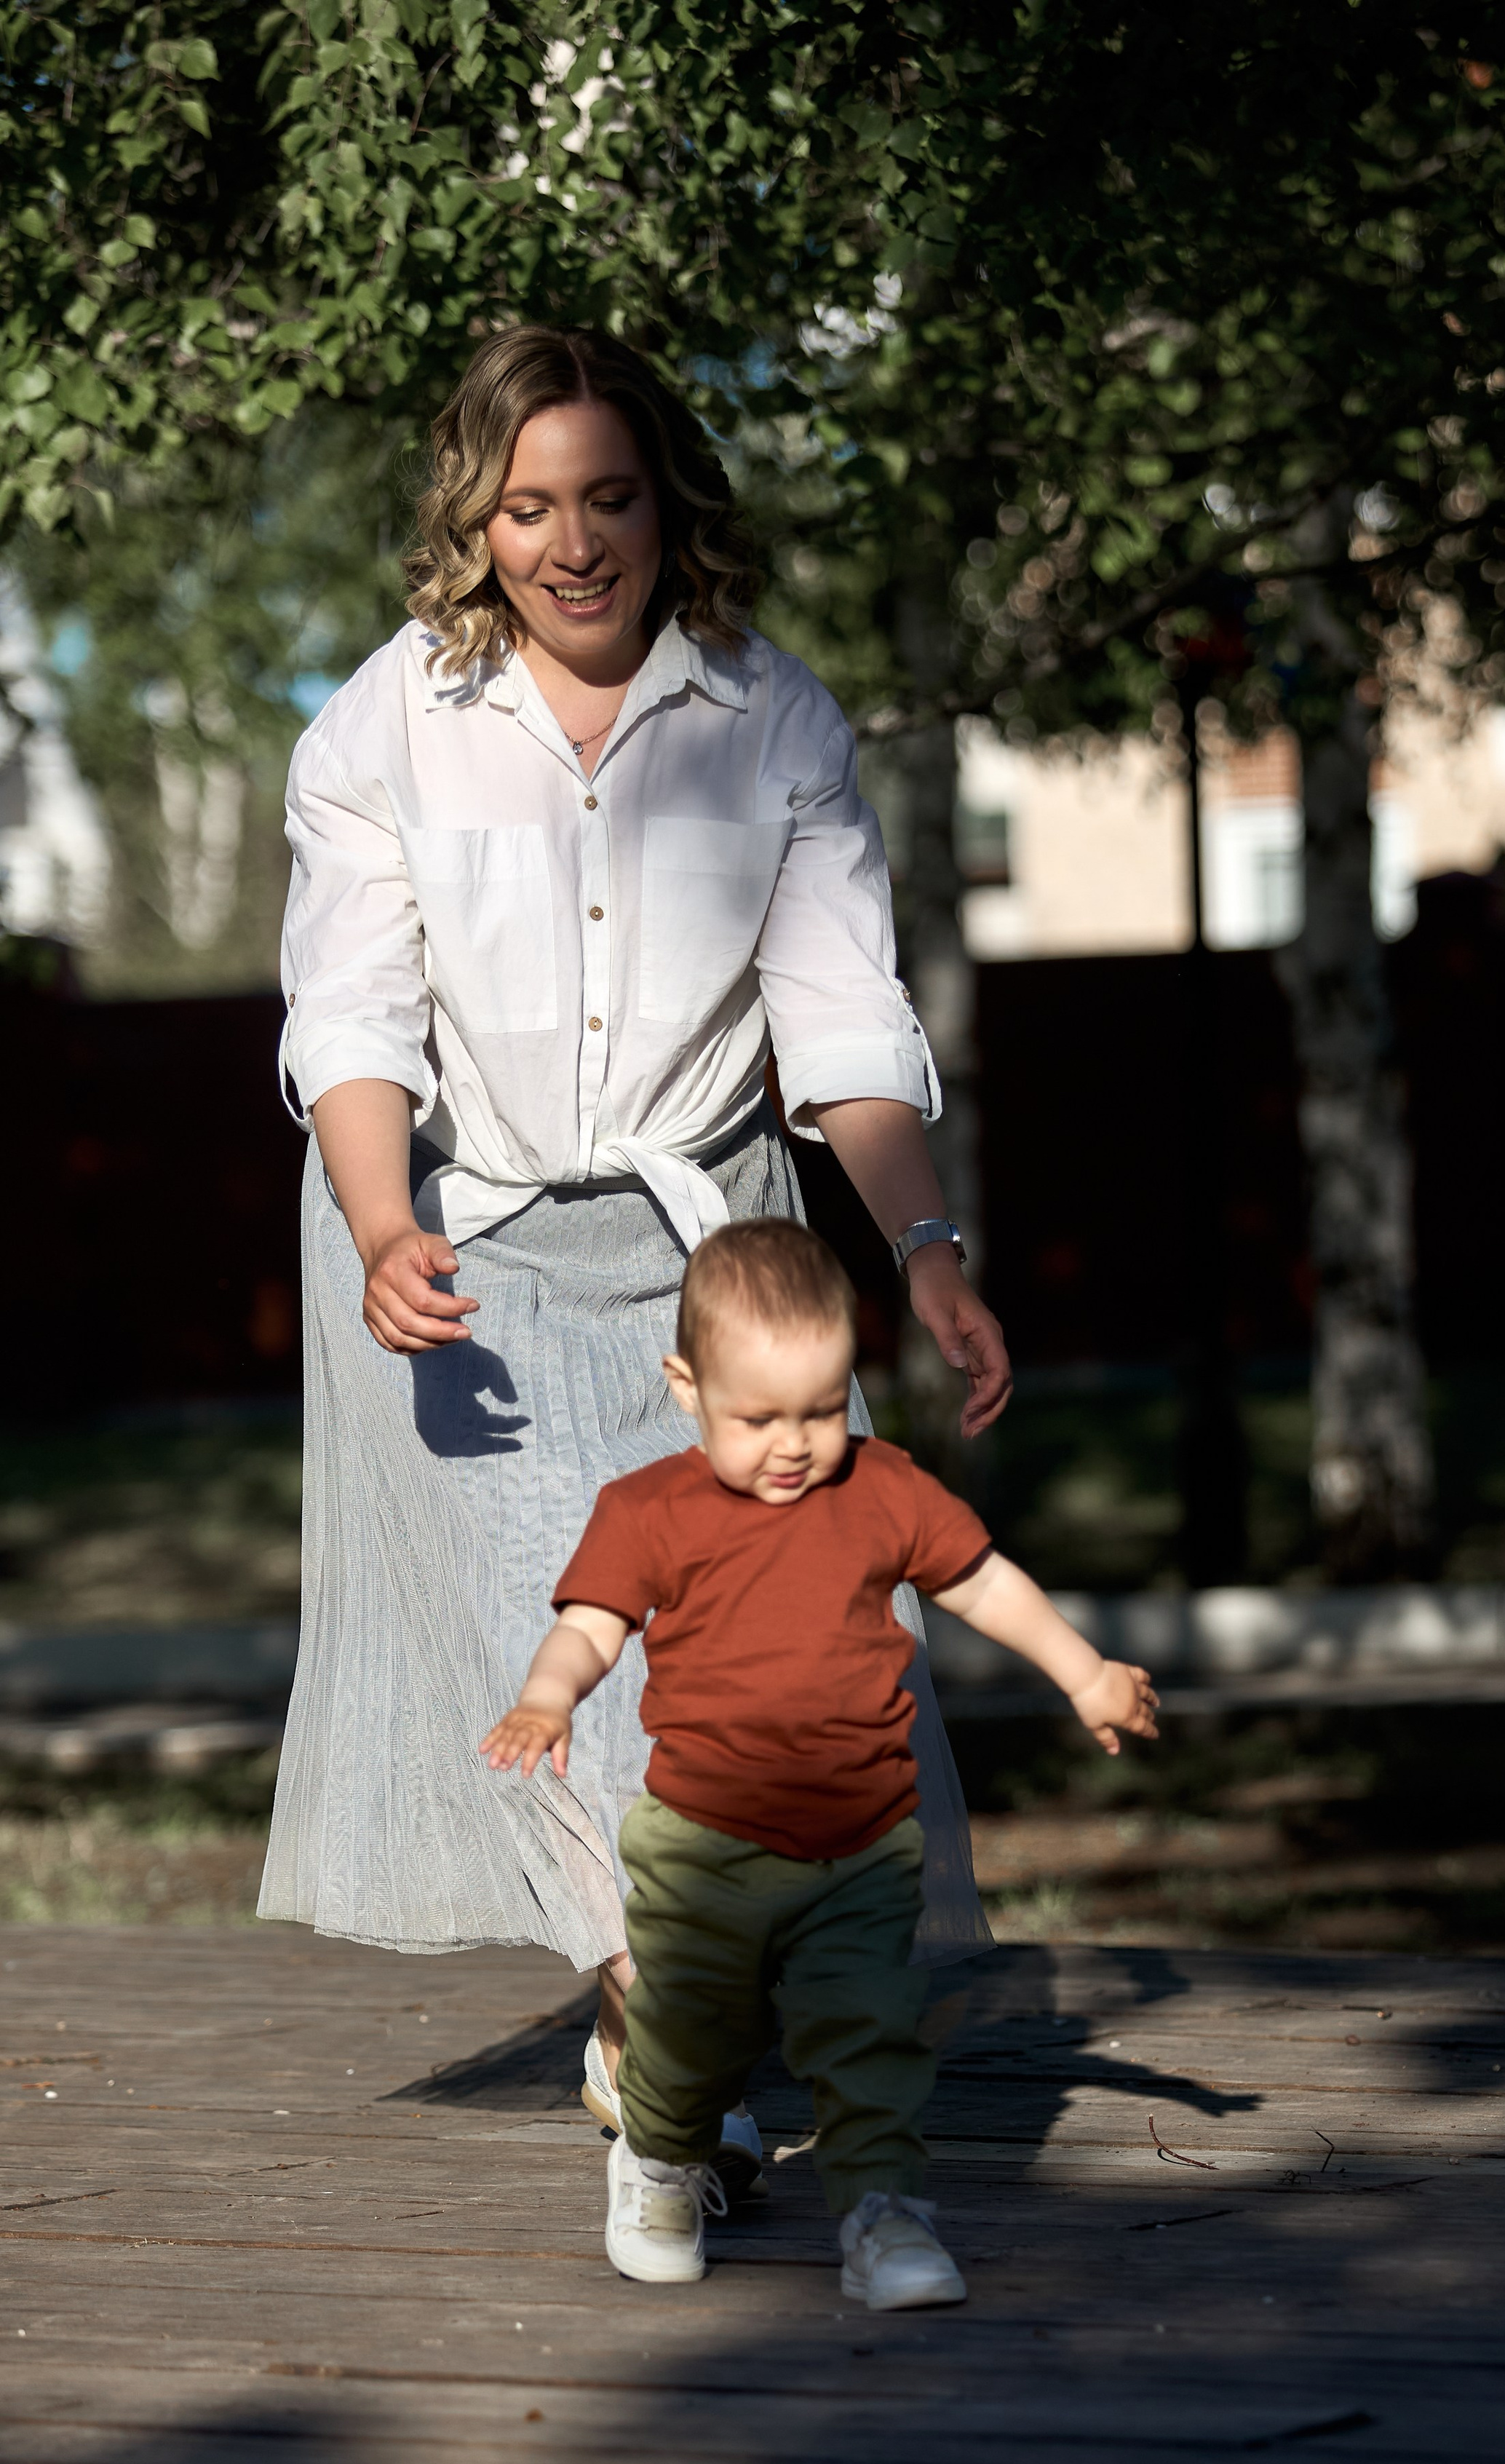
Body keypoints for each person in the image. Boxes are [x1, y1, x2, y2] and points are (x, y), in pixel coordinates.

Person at [260, 325, 1012, 2184]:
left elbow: (843, 1020)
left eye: (606, 498)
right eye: (527, 506)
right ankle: (651, 2021)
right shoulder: (387, 722)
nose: (571, 543)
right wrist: (376, 1228)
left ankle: (683, 2013)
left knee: (804, 1638)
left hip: (713, 1240)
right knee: (571, 1649)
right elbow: (349, 1018)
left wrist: (922, 1245)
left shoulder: (772, 717)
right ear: (475, 520)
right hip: (458, 1241)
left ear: (669, 503)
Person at [481, 1220, 1159, 2307]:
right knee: (693, 2030)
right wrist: (546, 1695)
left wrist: (1083, 1673)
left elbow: (985, 1584)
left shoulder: (882, 1489)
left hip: (861, 1841)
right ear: (686, 1387)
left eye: (821, 1408)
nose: (794, 1442)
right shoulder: (650, 1508)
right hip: (704, 1843)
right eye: (759, 1417)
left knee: (868, 2033)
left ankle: (883, 2213)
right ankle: (657, 2160)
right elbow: (592, 1622)